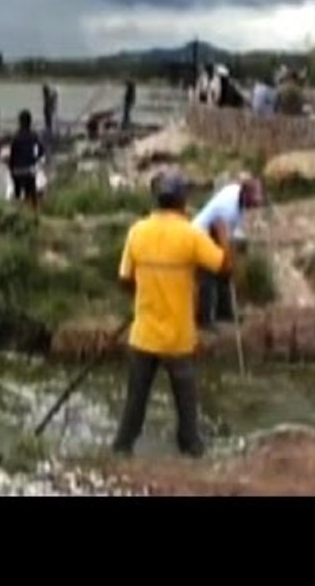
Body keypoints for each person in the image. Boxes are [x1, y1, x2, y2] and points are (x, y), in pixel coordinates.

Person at [114, 171, 235, 457]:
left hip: (143, 333)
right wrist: (224, 237)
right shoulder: (190, 235)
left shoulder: (137, 231)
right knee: (187, 412)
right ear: (182, 200)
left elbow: (124, 279)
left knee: (134, 405)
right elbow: (225, 269)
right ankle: (190, 455)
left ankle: (121, 452)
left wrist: (144, 296)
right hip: (177, 339)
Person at [192, 178, 263, 327]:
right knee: (209, 274)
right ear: (245, 194)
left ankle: (225, 313)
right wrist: (228, 260)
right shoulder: (227, 206)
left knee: (224, 274)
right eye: (254, 200)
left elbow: (231, 230)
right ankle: (205, 319)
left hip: (215, 234)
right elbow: (221, 232)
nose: (256, 204)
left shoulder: (238, 196)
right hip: (201, 236)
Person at [8, 110, 45, 208]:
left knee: (17, 190)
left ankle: (16, 206)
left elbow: (12, 155)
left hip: (17, 171)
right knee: (30, 190)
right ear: (30, 122)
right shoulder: (34, 137)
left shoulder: (16, 137)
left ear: (20, 122)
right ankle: (31, 208)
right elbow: (40, 151)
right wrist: (34, 158)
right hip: (29, 170)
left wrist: (11, 170)